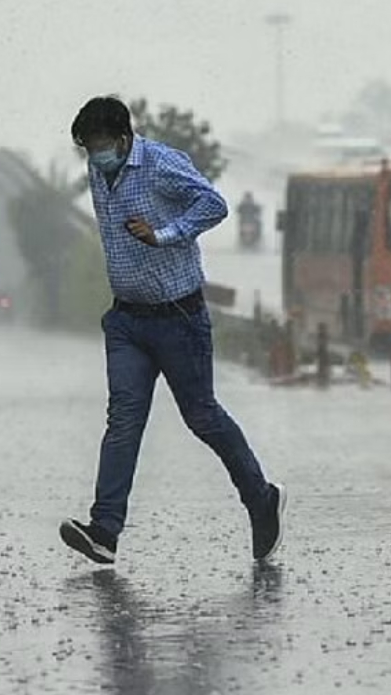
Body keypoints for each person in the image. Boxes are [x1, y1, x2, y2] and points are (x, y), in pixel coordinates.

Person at [58, 95, 286, 565]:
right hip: (126, 321)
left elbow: (214, 204)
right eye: (87, 149)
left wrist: (164, 233)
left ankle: (261, 499)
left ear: (123, 139)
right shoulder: (98, 172)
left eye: (100, 146)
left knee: (202, 417)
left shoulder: (161, 164)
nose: (95, 157)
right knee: (123, 421)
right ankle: (105, 530)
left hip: (178, 318)